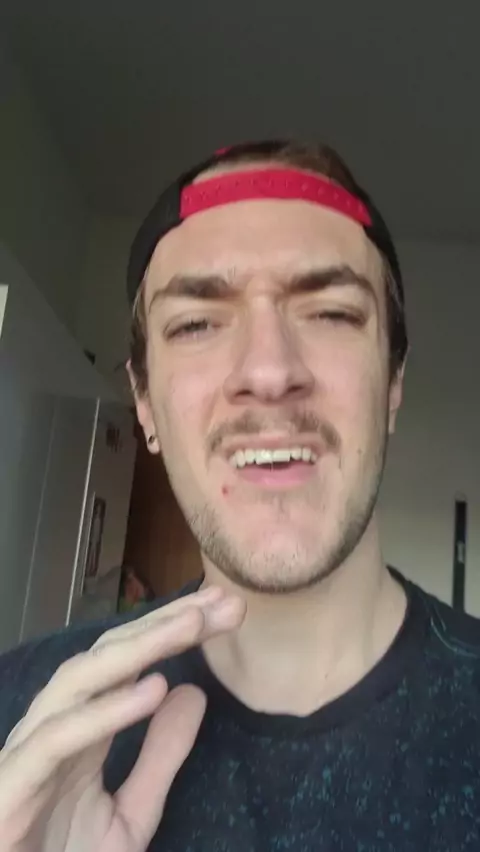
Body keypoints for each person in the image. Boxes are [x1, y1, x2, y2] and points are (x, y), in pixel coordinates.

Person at [0, 139, 479, 852]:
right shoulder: (16, 723)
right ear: (144, 403)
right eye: (196, 323)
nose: (268, 370)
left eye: (331, 313)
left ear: (393, 383)